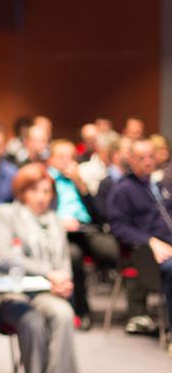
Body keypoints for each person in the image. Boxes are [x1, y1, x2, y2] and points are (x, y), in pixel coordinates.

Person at [0, 163, 80, 373]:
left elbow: (64, 258)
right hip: (10, 292)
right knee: (33, 322)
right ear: (22, 191)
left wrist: (64, 281)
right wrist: (49, 273)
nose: (41, 197)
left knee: (64, 313)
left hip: (45, 292)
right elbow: (3, 256)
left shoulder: (55, 220)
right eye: (35, 190)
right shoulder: (5, 214)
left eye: (47, 191)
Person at [108, 139, 172, 353]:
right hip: (144, 254)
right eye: (141, 158)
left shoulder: (162, 186)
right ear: (131, 161)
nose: (147, 161)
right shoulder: (123, 190)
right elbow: (118, 227)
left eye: (151, 156)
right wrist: (150, 241)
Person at [47, 140, 119, 328]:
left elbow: (99, 215)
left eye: (70, 157)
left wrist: (82, 186)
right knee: (73, 257)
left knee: (110, 251)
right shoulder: (47, 180)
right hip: (59, 233)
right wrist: (59, 221)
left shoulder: (79, 180)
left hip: (85, 229)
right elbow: (42, 212)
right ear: (51, 159)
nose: (65, 162)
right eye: (60, 157)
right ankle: (81, 310)